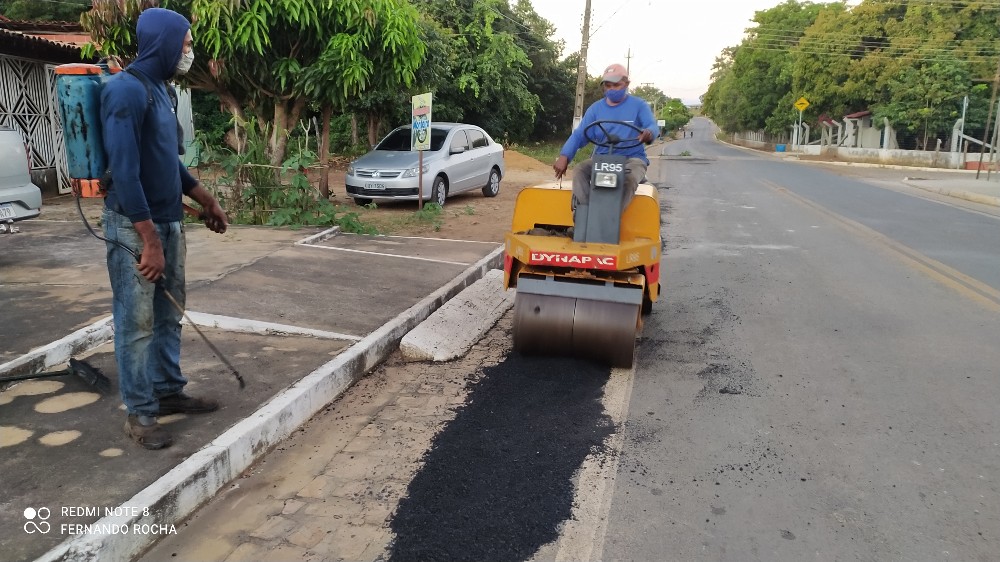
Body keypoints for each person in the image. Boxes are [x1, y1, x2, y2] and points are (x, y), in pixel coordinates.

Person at [101, 7, 229, 450]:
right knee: (135, 323)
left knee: (168, 316)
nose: (188, 51)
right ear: (163, 42)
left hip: (169, 221)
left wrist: (205, 199)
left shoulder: (161, 90)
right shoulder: (125, 91)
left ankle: (168, 391)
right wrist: (149, 239)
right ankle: (139, 416)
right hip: (133, 225)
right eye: (186, 43)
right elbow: (125, 168)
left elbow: (166, 160)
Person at [553, 63, 659, 214]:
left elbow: (652, 125)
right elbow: (579, 135)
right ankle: (586, 213)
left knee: (629, 180)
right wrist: (565, 156)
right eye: (608, 86)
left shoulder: (638, 105)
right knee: (579, 171)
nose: (611, 89)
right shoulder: (596, 109)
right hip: (601, 158)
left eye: (616, 85)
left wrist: (648, 132)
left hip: (631, 158)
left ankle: (612, 216)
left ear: (626, 84)